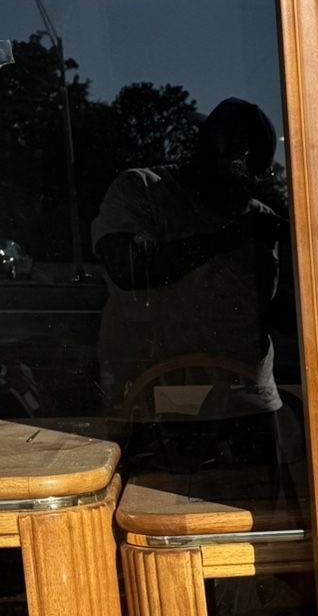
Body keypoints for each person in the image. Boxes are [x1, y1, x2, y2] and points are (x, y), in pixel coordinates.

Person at [91, 98, 294, 474]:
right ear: (201, 155)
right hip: (159, 399)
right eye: (234, 175)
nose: (242, 192)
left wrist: (307, 257)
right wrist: (229, 237)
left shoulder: (258, 218)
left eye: (254, 179)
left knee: (256, 517)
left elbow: (276, 314)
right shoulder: (142, 191)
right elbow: (130, 272)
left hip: (249, 399)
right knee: (157, 512)